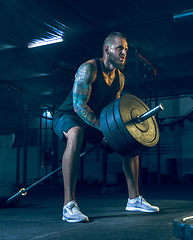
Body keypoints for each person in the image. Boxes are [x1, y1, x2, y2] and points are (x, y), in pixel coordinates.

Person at [53, 32, 159, 223]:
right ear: (107, 50)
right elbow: (78, 106)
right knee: (75, 133)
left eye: (126, 49)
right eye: (120, 48)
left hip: (93, 121)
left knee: (129, 140)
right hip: (68, 116)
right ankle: (68, 205)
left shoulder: (120, 78)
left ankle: (134, 199)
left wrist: (118, 131)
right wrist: (104, 128)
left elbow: (114, 110)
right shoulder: (89, 69)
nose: (124, 53)